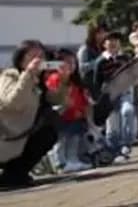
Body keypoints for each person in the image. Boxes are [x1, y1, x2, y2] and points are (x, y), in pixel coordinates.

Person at [0, 40, 72, 188]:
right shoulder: (10, 76)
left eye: (41, 56)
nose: (38, 60)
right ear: (21, 59)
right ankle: (13, 173)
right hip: (5, 137)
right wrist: (28, 74)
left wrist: (64, 80)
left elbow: (57, 100)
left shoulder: (37, 82)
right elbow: (13, 102)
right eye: (32, 56)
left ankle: (14, 174)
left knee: (50, 127)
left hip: (21, 137)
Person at [45, 49, 92, 173]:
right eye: (67, 62)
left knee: (74, 140)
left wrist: (82, 112)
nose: (71, 66)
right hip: (60, 117)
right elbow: (53, 98)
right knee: (61, 141)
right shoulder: (54, 79)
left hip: (75, 117)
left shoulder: (75, 81)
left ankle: (73, 160)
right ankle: (59, 164)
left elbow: (82, 100)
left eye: (73, 63)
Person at [93, 32, 136, 161]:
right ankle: (115, 152)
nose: (113, 43)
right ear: (104, 44)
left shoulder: (125, 58)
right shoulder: (100, 61)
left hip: (124, 92)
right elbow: (97, 82)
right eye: (109, 41)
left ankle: (126, 144)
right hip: (109, 96)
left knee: (128, 111)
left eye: (116, 40)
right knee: (112, 126)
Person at [77, 23, 107, 90]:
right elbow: (82, 67)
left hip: (103, 84)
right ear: (92, 34)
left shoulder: (104, 48)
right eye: (99, 33)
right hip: (90, 86)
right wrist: (99, 61)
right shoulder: (85, 49)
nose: (102, 35)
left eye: (103, 32)